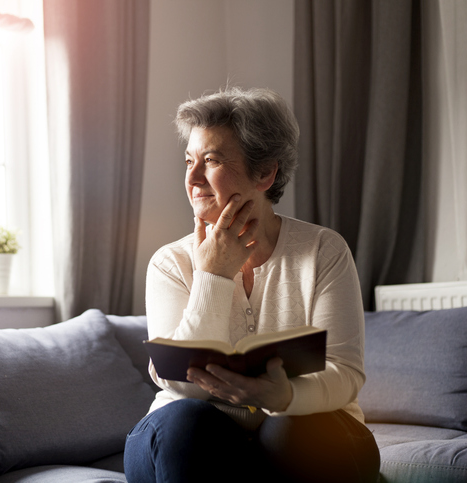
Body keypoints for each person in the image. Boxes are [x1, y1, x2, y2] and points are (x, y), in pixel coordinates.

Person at [123, 87, 380, 483]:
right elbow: (179, 384)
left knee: (293, 427)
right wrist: (212, 275)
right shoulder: (170, 263)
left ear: (265, 173)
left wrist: (285, 398)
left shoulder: (323, 250)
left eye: (210, 161)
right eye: (189, 161)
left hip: (299, 431)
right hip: (188, 435)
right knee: (186, 423)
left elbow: (344, 373)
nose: (192, 178)